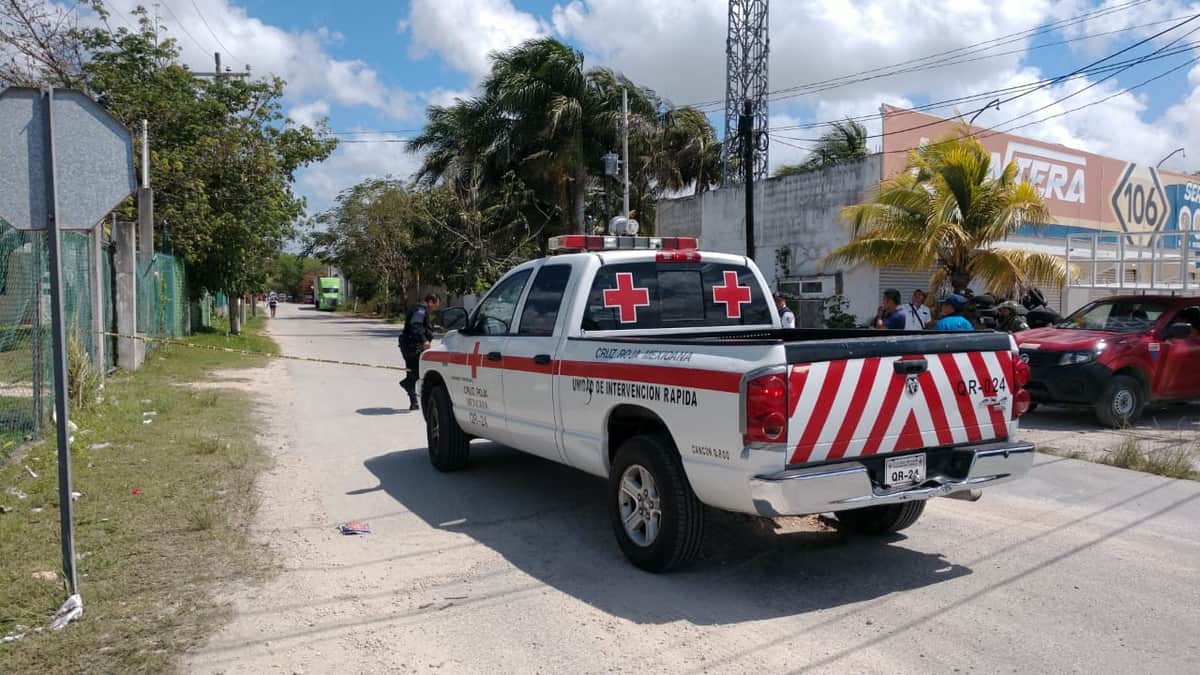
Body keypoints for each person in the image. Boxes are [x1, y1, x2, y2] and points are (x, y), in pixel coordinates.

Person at [399, 293, 440, 410]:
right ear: (430, 302)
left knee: (412, 371)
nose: (434, 309)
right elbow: (415, 325)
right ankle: (407, 384)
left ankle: (414, 402)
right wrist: (424, 340)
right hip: (413, 346)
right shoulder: (421, 309)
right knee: (418, 372)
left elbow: (422, 326)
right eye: (435, 306)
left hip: (409, 345)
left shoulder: (420, 309)